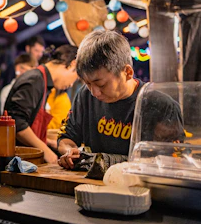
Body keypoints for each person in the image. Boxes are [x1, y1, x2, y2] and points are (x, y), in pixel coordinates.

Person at [57, 30, 144, 169]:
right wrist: (70, 151)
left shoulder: (155, 103)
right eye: (87, 83)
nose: (94, 92)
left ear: (127, 73)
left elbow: (165, 160)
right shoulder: (85, 95)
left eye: (101, 84)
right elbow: (66, 137)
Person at [5, 45, 78, 163]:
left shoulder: (43, 82)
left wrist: (50, 143)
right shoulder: (35, 80)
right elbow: (17, 123)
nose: (71, 84)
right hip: (17, 160)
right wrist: (46, 151)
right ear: (72, 64)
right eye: (76, 77)